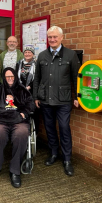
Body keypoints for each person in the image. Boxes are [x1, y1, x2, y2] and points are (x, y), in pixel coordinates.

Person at [33, 26, 80, 176]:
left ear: (61, 38)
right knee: (49, 128)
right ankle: (53, 153)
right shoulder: (42, 56)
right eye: (50, 37)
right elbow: (37, 79)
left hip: (64, 100)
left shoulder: (71, 55)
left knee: (64, 128)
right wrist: (36, 96)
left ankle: (67, 159)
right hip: (46, 99)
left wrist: (77, 97)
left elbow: (76, 78)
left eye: (55, 37)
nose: (52, 40)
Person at [0, 67, 35, 188]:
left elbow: (30, 103)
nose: (10, 79)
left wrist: (24, 113)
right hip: (1, 120)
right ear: (4, 78)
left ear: (15, 76)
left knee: (21, 134)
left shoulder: (22, 90)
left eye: (12, 76)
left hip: (18, 120)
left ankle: (15, 171)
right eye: (7, 77)